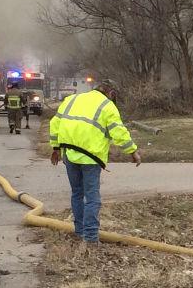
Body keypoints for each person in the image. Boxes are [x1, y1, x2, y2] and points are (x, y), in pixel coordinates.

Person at [48, 79, 141, 246]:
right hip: (91, 157)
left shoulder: (72, 99)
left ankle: (79, 232)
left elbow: (55, 124)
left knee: (77, 193)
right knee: (92, 198)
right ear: (111, 93)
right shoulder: (107, 106)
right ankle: (90, 238)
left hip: (69, 153)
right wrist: (132, 151)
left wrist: (56, 149)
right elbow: (118, 132)